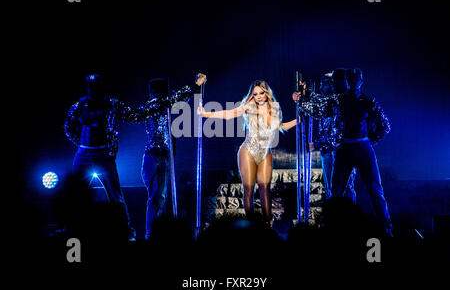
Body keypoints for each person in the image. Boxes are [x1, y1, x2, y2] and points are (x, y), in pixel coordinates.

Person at [64, 74, 192, 241]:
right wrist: (81, 143)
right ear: (87, 87)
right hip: (84, 154)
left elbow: (137, 115)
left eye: (96, 86)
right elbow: (69, 127)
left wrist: (180, 95)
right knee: (76, 195)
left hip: (104, 155)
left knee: (116, 197)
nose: (93, 89)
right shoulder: (79, 106)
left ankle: (126, 232)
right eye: (90, 86)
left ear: (101, 87)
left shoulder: (112, 105)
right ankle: (70, 231)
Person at [293, 68, 393, 236]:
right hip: (345, 148)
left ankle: (386, 228)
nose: (354, 82)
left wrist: (368, 141)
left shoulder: (369, 102)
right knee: (336, 191)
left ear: (361, 81)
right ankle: (334, 228)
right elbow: (319, 108)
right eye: (351, 79)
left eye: (356, 79)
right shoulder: (339, 100)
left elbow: (385, 126)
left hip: (362, 148)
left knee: (375, 189)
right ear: (348, 81)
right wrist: (304, 97)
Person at [198, 79, 300, 224]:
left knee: (265, 187)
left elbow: (282, 126)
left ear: (267, 93)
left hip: (265, 152)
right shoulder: (248, 106)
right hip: (248, 151)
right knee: (249, 189)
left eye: (261, 93)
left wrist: (298, 120)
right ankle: (251, 224)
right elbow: (229, 114)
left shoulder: (275, 107)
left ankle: (267, 223)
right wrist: (206, 114)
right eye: (255, 94)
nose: (258, 96)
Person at [142, 74, 206, 240]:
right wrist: (193, 85)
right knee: (156, 195)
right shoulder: (154, 105)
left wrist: (194, 90)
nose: (163, 94)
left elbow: (180, 102)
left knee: (161, 196)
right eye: (162, 92)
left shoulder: (166, 107)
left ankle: (158, 232)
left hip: (164, 155)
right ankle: (151, 233)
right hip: (153, 156)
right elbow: (175, 99)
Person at [313, 70, 356, 201]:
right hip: (326, 150)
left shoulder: (344, 100)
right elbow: (323, 128)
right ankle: (333, 217)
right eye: (322, 84)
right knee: (329, 188)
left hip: (342, 150)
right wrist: (318, 143)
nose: (322, 87)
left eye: (325, 83)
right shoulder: (324, 104)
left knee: (346, 185)